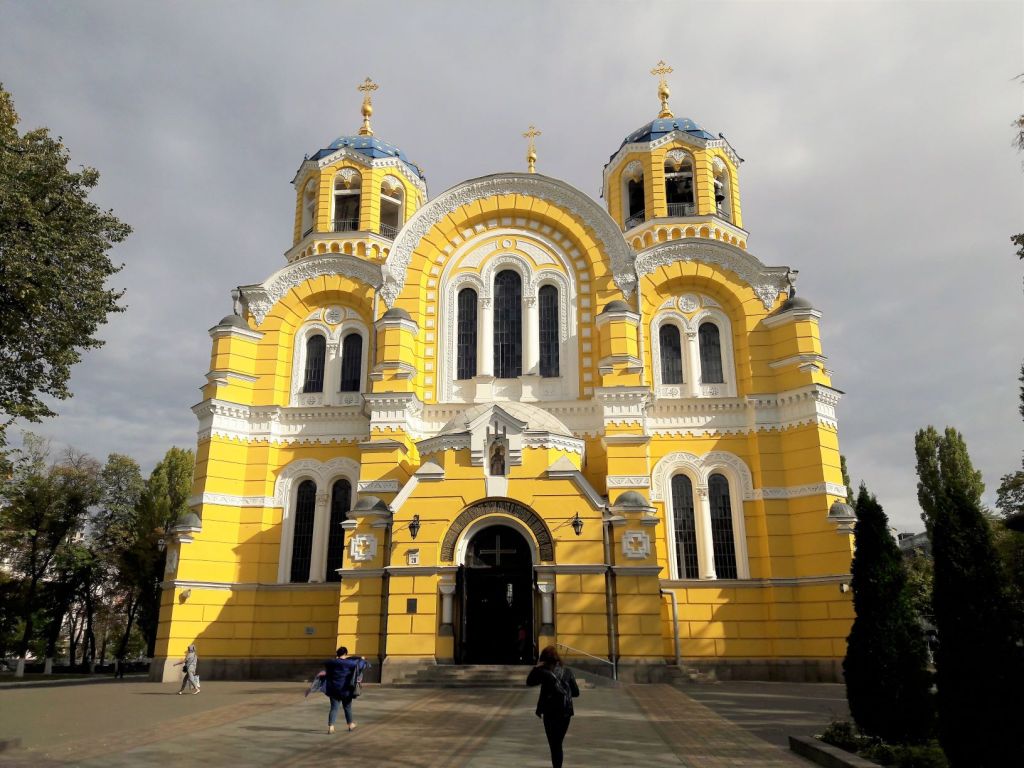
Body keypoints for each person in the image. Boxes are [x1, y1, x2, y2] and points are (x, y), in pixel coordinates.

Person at [526, 645, 580, 768]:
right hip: (566, 713)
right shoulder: (567, 671)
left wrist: (536, 667)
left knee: (555, 745)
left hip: (550, 714)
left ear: (544, 659)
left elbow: (529, 682)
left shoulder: (544, 673)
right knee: (557, 744)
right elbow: (576, 692)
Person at [323, 646, 368, 734]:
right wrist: (362, 659)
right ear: (345, 653)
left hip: (334, 689)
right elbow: (360, 666)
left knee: (334, 708)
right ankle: (350, 724)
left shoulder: (332, 662)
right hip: (346, 689)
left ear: (337, 654)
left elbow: (326, 663)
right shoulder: (349, 663)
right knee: (347, 707)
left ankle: (331, 727)